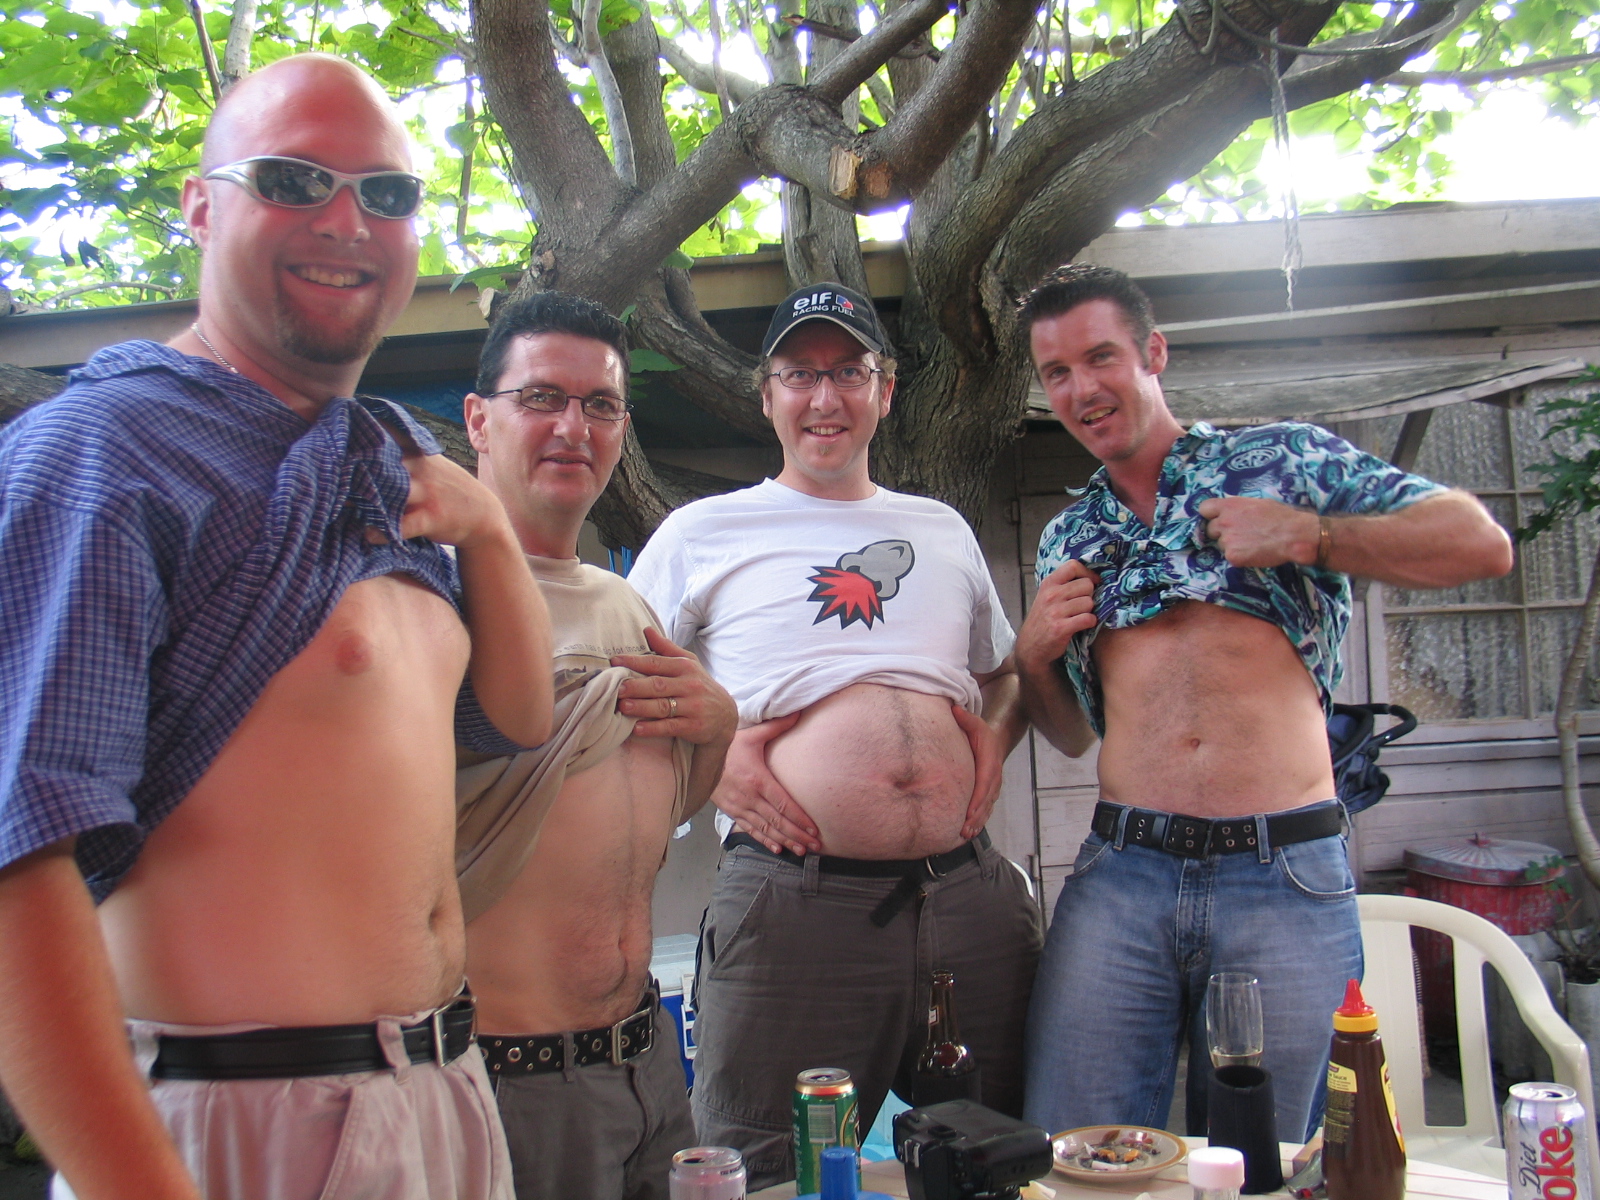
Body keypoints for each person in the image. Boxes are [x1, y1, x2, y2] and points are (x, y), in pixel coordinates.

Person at [0, 55, 554, 1200]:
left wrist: (493, 535)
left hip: (444, 1101)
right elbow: (18, 853)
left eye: (386, 193)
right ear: (201, 207)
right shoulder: (100, 456)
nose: (346, 221)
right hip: (239, 1129)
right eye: (293, 179)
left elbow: (507, 723)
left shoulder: (386, 456)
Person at [1013, 263, 1515, 1140]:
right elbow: (1071, 736)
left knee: (1269, 1163)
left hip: (1281, 871)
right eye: (1057, 372)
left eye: (1100, 357)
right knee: (1072, 1154)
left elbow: (1481, 545)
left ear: (1153, 352)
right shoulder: (1070, 535)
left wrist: (1307, 534)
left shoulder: (1282, 462)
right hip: (1123, 876)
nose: (1081, 389)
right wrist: (1033, 658)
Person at [629, 283, 1042, 1190]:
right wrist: (712, 765)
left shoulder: (941, 529)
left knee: (997, 1158)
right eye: (800, 374)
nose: (825, 397)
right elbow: (623, 685)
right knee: (776, 1172)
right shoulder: (701, 532)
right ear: (766, 395)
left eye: (849, 372)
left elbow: (1006, 674)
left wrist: (992, 745)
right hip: (795, 908)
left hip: (969, 901)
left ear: (885, 391)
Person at [456, 291, 737, 1200]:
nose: (574, 427)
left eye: (601, 405)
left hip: (647, 1066)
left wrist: (718, 730)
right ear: (479, 419)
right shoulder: (431, 597)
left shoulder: (625, 605)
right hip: (508, 1079)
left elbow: (648, 814)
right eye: (542, 397)